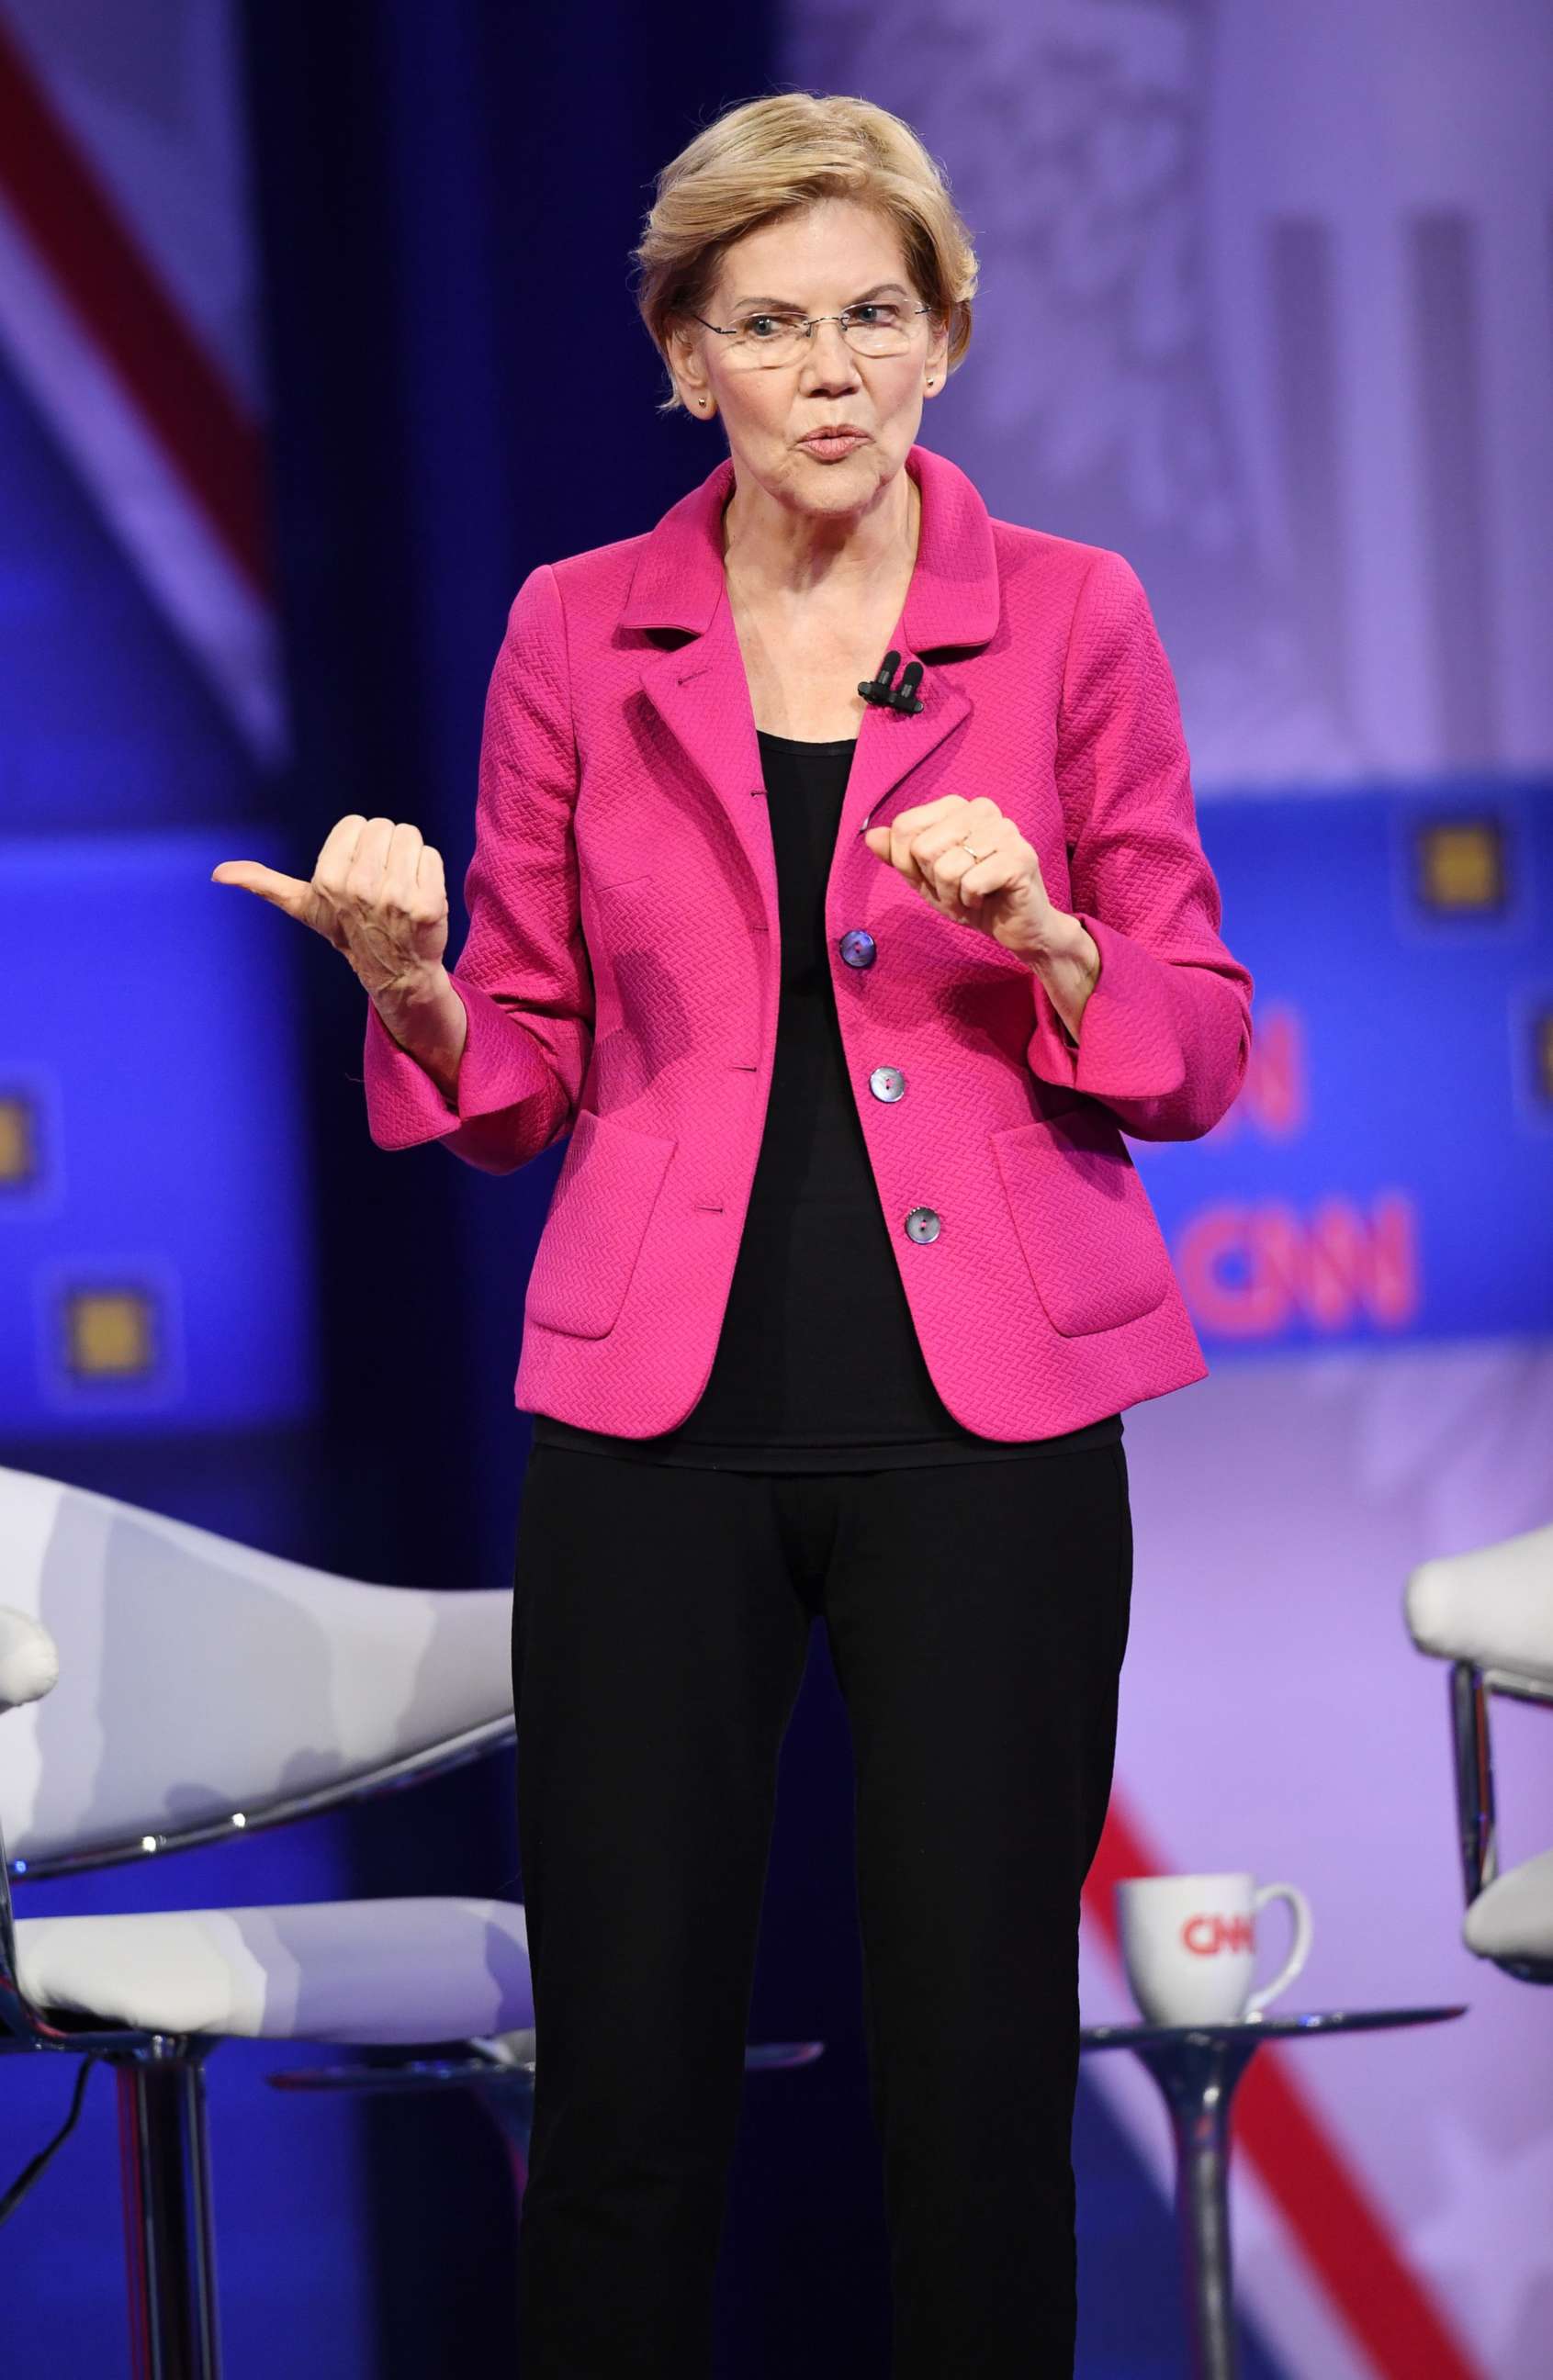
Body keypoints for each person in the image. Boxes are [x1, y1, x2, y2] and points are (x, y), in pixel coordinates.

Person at [213, 87, 1253, 2380]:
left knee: (980, 2083)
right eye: (772, 325)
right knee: (628, 2083)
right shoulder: (580, 631)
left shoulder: (1072, 618)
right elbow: (514, 1085)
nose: (834, 370)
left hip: (987, 1427)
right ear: (688, 358)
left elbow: (1192, 1045)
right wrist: (406, 976)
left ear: (949, 335)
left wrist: (1056, 941)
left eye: (878, 315)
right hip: (651, 1423)